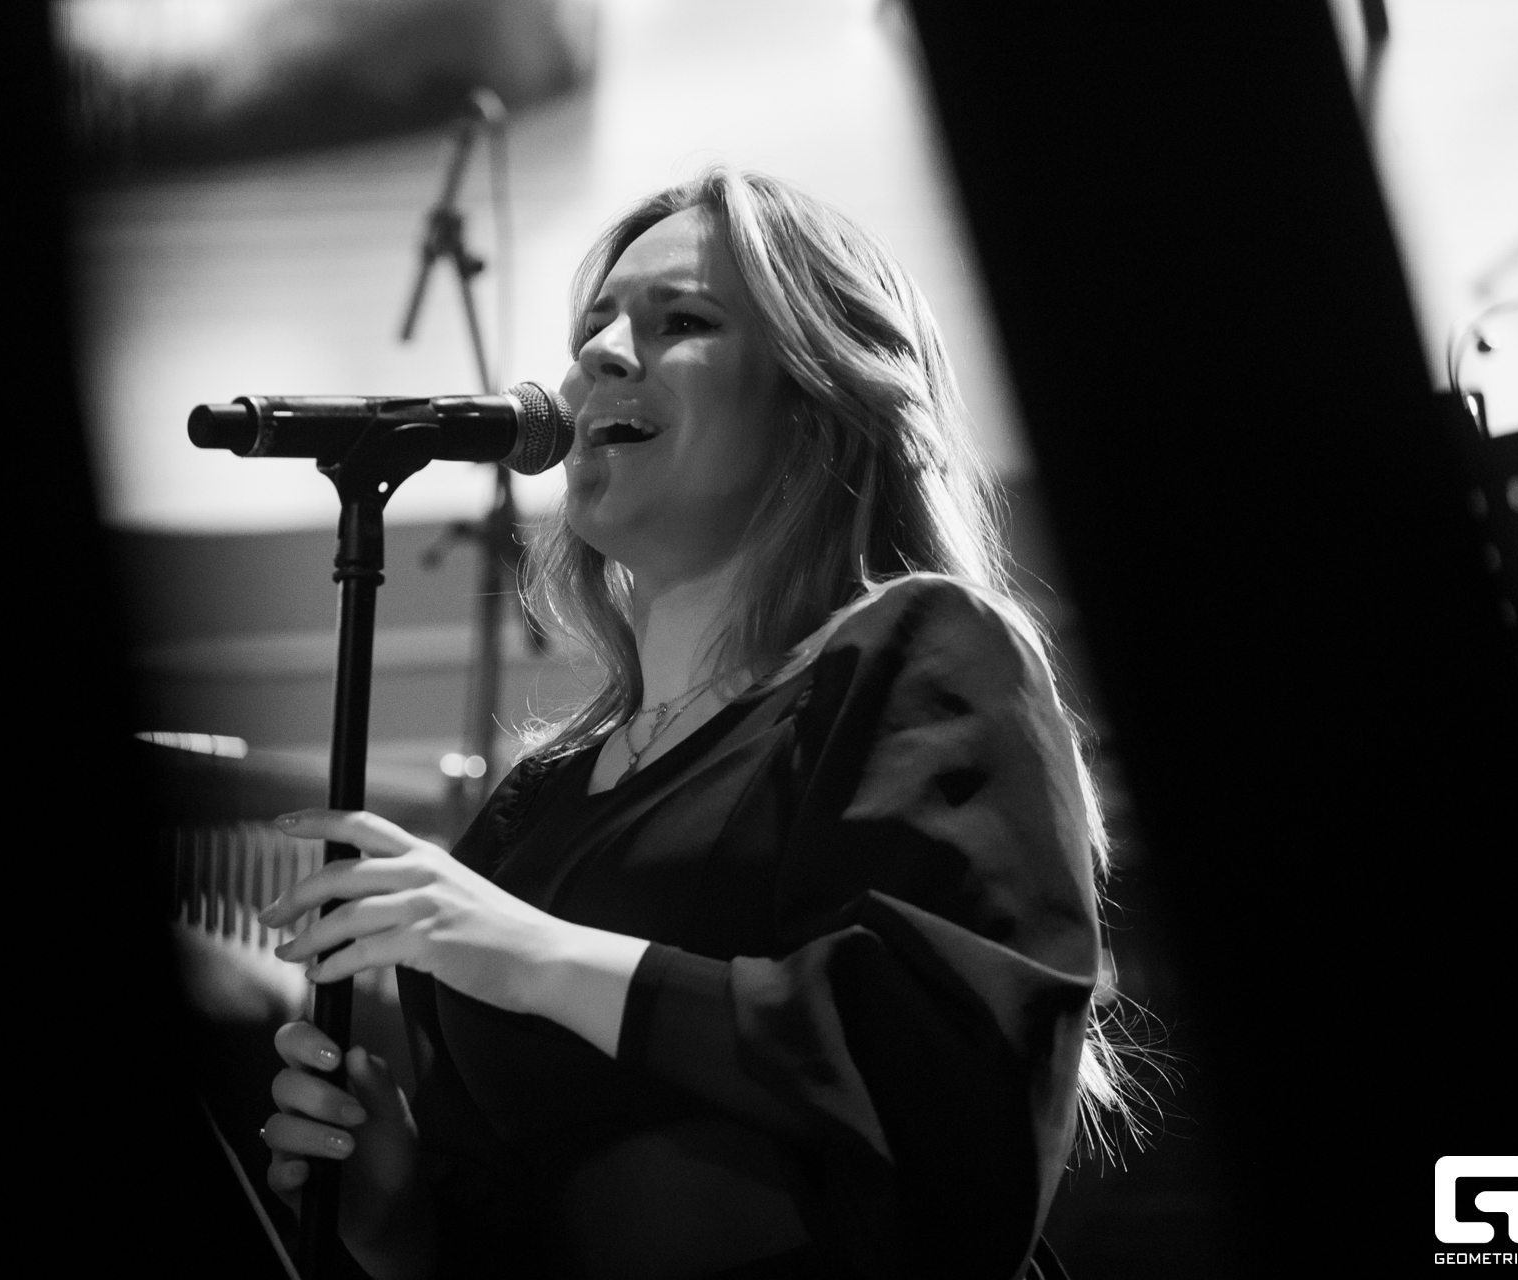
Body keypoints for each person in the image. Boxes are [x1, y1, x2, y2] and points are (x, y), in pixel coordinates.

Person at [258, 168, 1121, 1280]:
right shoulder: (536, 808)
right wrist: (404, 1227)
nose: (601, 356)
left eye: (683, 321)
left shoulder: (921, 651)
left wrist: (534, 956)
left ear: (817, 395)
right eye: (595, 326)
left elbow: (952, 1095)